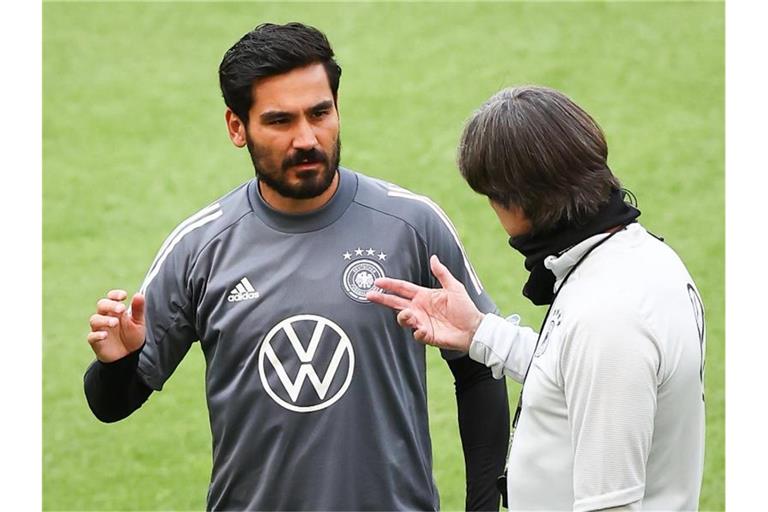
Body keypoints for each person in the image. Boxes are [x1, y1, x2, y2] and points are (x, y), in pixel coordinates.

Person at [83, 22, 509, 511]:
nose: (306, 139)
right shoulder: (201, 247)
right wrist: (118, 363)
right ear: (237, 127)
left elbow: (480, 370)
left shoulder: (411, 225)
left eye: (319, 113)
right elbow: (111, 405)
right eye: (280, 121)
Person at [368, 86, 706, 511]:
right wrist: (479, 332)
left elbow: (610, 505)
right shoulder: (641, 259)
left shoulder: (608, 315)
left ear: (519, 203)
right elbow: (576, 375)